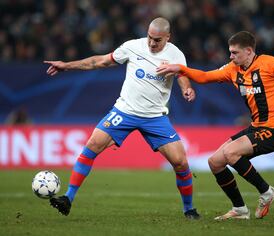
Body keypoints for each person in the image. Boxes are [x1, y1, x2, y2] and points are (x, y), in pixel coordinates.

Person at [156, 31, 274, 220]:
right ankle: (239, 209)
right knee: (215, 162)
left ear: (248, 51)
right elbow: (205, 77)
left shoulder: (270, 64)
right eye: (230, 52)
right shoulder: (233, 69)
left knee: (231, 153)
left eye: (234, 53)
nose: (231, 56)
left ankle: (266, 191)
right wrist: (179, 69)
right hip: (257, 127)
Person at [44, 17, 200, 219]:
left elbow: (182, 76)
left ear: (168, 37)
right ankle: (68, 198)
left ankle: (189, 209)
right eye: (150, 37)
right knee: (92, 145)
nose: (152, 43)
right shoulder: (132, 47)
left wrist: (187, 89)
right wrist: (66, 65)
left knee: (180, 163)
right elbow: (98, 61)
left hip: (155, 117)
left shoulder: (176, 54)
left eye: (158, 40)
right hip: (124, 112)